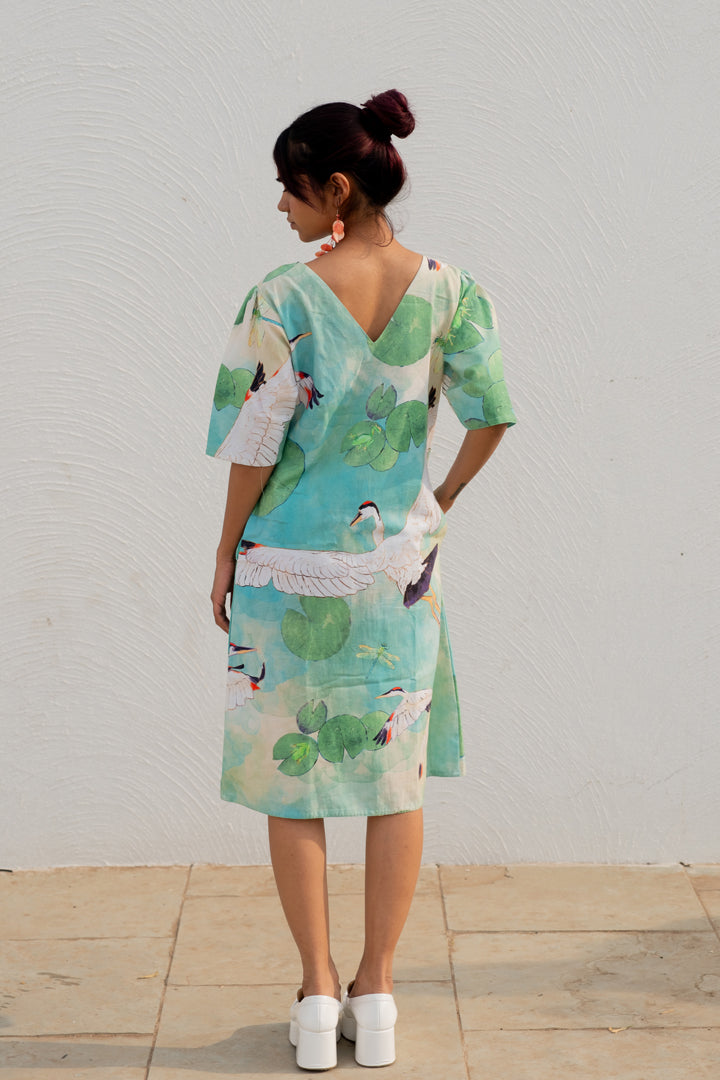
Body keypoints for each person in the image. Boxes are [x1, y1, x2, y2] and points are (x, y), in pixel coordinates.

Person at [206, 89, 517, 1071]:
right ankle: (376, 991)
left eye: (290, 187)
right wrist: (438, 500)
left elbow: (253, 442)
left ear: (336, 188)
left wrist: (224, 550)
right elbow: (494, 413)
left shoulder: (280, 299)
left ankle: (317, 990)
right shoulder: (451, 292)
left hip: (286, 569)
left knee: (291, 785)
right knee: (393, 778)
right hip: (396, 575)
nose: (281, 206)